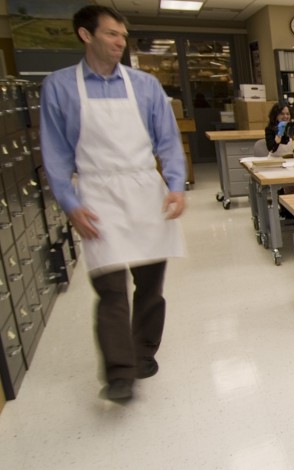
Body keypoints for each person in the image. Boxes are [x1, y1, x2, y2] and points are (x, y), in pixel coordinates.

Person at [40, 5, 187, 402]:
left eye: (122, 35)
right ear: (86, 35)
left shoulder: (145, 85)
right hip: (95, 192)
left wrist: (175, 184)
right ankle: (120, 373)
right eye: (111, 34)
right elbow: (54, 153)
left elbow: (168, 140)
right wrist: (70, 203)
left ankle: (143, 352)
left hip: (144, 191)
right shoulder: (59, 87)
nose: (120, 42)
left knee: (150, 286)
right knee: (110, 287)